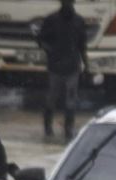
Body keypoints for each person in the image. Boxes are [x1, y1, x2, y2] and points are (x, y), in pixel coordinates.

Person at [38, 0, 89, 140]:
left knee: (69, 100)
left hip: (71, 66)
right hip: (56, 66)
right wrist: (51, 51)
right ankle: (48, 129)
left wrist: (86, 65)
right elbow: (41, 40)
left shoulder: (78, 21)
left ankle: (68, 130)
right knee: (52, 98)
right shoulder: (52, 20)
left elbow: (82, 45)